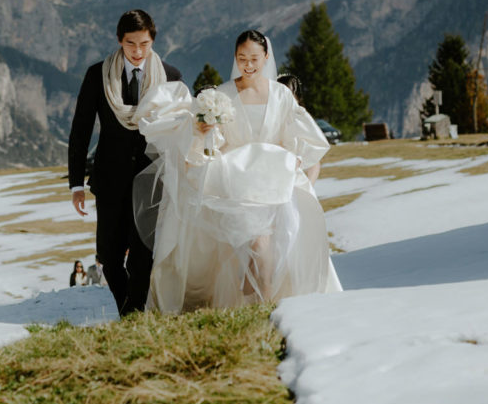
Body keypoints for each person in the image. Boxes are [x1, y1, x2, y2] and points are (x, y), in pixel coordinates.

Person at [135, 29, 343, 313]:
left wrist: (295, 159)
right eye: (242, 58)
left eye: (255, 58)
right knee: (257, 245)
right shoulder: (223, 95)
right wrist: (204, 131)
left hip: (274, 182)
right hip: (237, 185)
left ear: (266, 57)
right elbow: (211, 147)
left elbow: (302, 138)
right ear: (235, 58)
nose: (248, 64)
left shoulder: (281, 95)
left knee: (268, 247)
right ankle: (261, 307)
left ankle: (262, 305)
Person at [67, 9, 182, 316]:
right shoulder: (97, 75)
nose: (137, 51)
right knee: (108, 255)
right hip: (109, 178)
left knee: (142, 255)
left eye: (144, 43)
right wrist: (76, 184)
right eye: (131, 43)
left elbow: (180, 129)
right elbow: (80, 130)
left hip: (151, 177)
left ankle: (132, 316)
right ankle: (130, 309)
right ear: (120, 41)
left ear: (152, 41)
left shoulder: (170, 76)